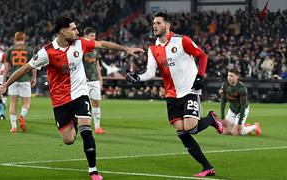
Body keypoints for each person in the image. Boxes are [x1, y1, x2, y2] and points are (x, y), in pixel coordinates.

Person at [0, 16, 144, 180]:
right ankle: (74, 121)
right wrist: (5, 85)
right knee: (69, 140)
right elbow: (26, 67)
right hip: (60, 100)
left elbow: (102, 44)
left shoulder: (80, 43)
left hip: (80, 94)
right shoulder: (46, 52)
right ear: (63, 31)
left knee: (86, 129)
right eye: (74, 29)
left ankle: (93, 170)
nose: (77, 32)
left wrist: (125, 49)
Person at [126, 12, 223, 177]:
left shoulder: (182, 40)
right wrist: (138, 77)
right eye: (153, 23)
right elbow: (150, 73)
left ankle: (211, 119)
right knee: (181, 132)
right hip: (171, 95)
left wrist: (200, 76)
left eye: (158, 23)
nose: (154, 26)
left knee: (191, 128)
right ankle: (207, 167)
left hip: (189, 90)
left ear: (167, 25)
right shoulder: (153, 48)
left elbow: (202, 56)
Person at [3, 32, 37, 133]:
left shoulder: (10, 50)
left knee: (13, 103)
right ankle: (22, 116)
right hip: (25, 79)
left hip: (13, 79)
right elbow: (34, 66)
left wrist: (4, 81)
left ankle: (13, 126)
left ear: (15, 38)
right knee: (26, 103)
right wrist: (34, 78)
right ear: (24, 38)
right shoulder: (29, 50)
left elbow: (6, 68)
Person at [220, 69, 262, 136]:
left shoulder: (242, 89)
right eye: (228, 76)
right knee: (224, 132)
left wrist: (239, 123)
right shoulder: (225, 85)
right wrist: (222, 118)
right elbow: (223, 102)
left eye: (231, 76)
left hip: (242, 110)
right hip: (232, 110)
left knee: (235, 133)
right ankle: (243, 126)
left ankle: (255, 126)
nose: (229, 78)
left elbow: (243, 106)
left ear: (237, 77)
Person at [82, 27, 105, 134]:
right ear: (85, 36)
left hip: (94, 79)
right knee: (82, 104)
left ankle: (97, 127)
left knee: (96, 102)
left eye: (95, 36)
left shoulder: (95, 49)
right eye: (91, 36)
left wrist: (100, 78)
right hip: (83, 81)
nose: (94, 38)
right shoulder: (80, 48)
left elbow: (97, 64)